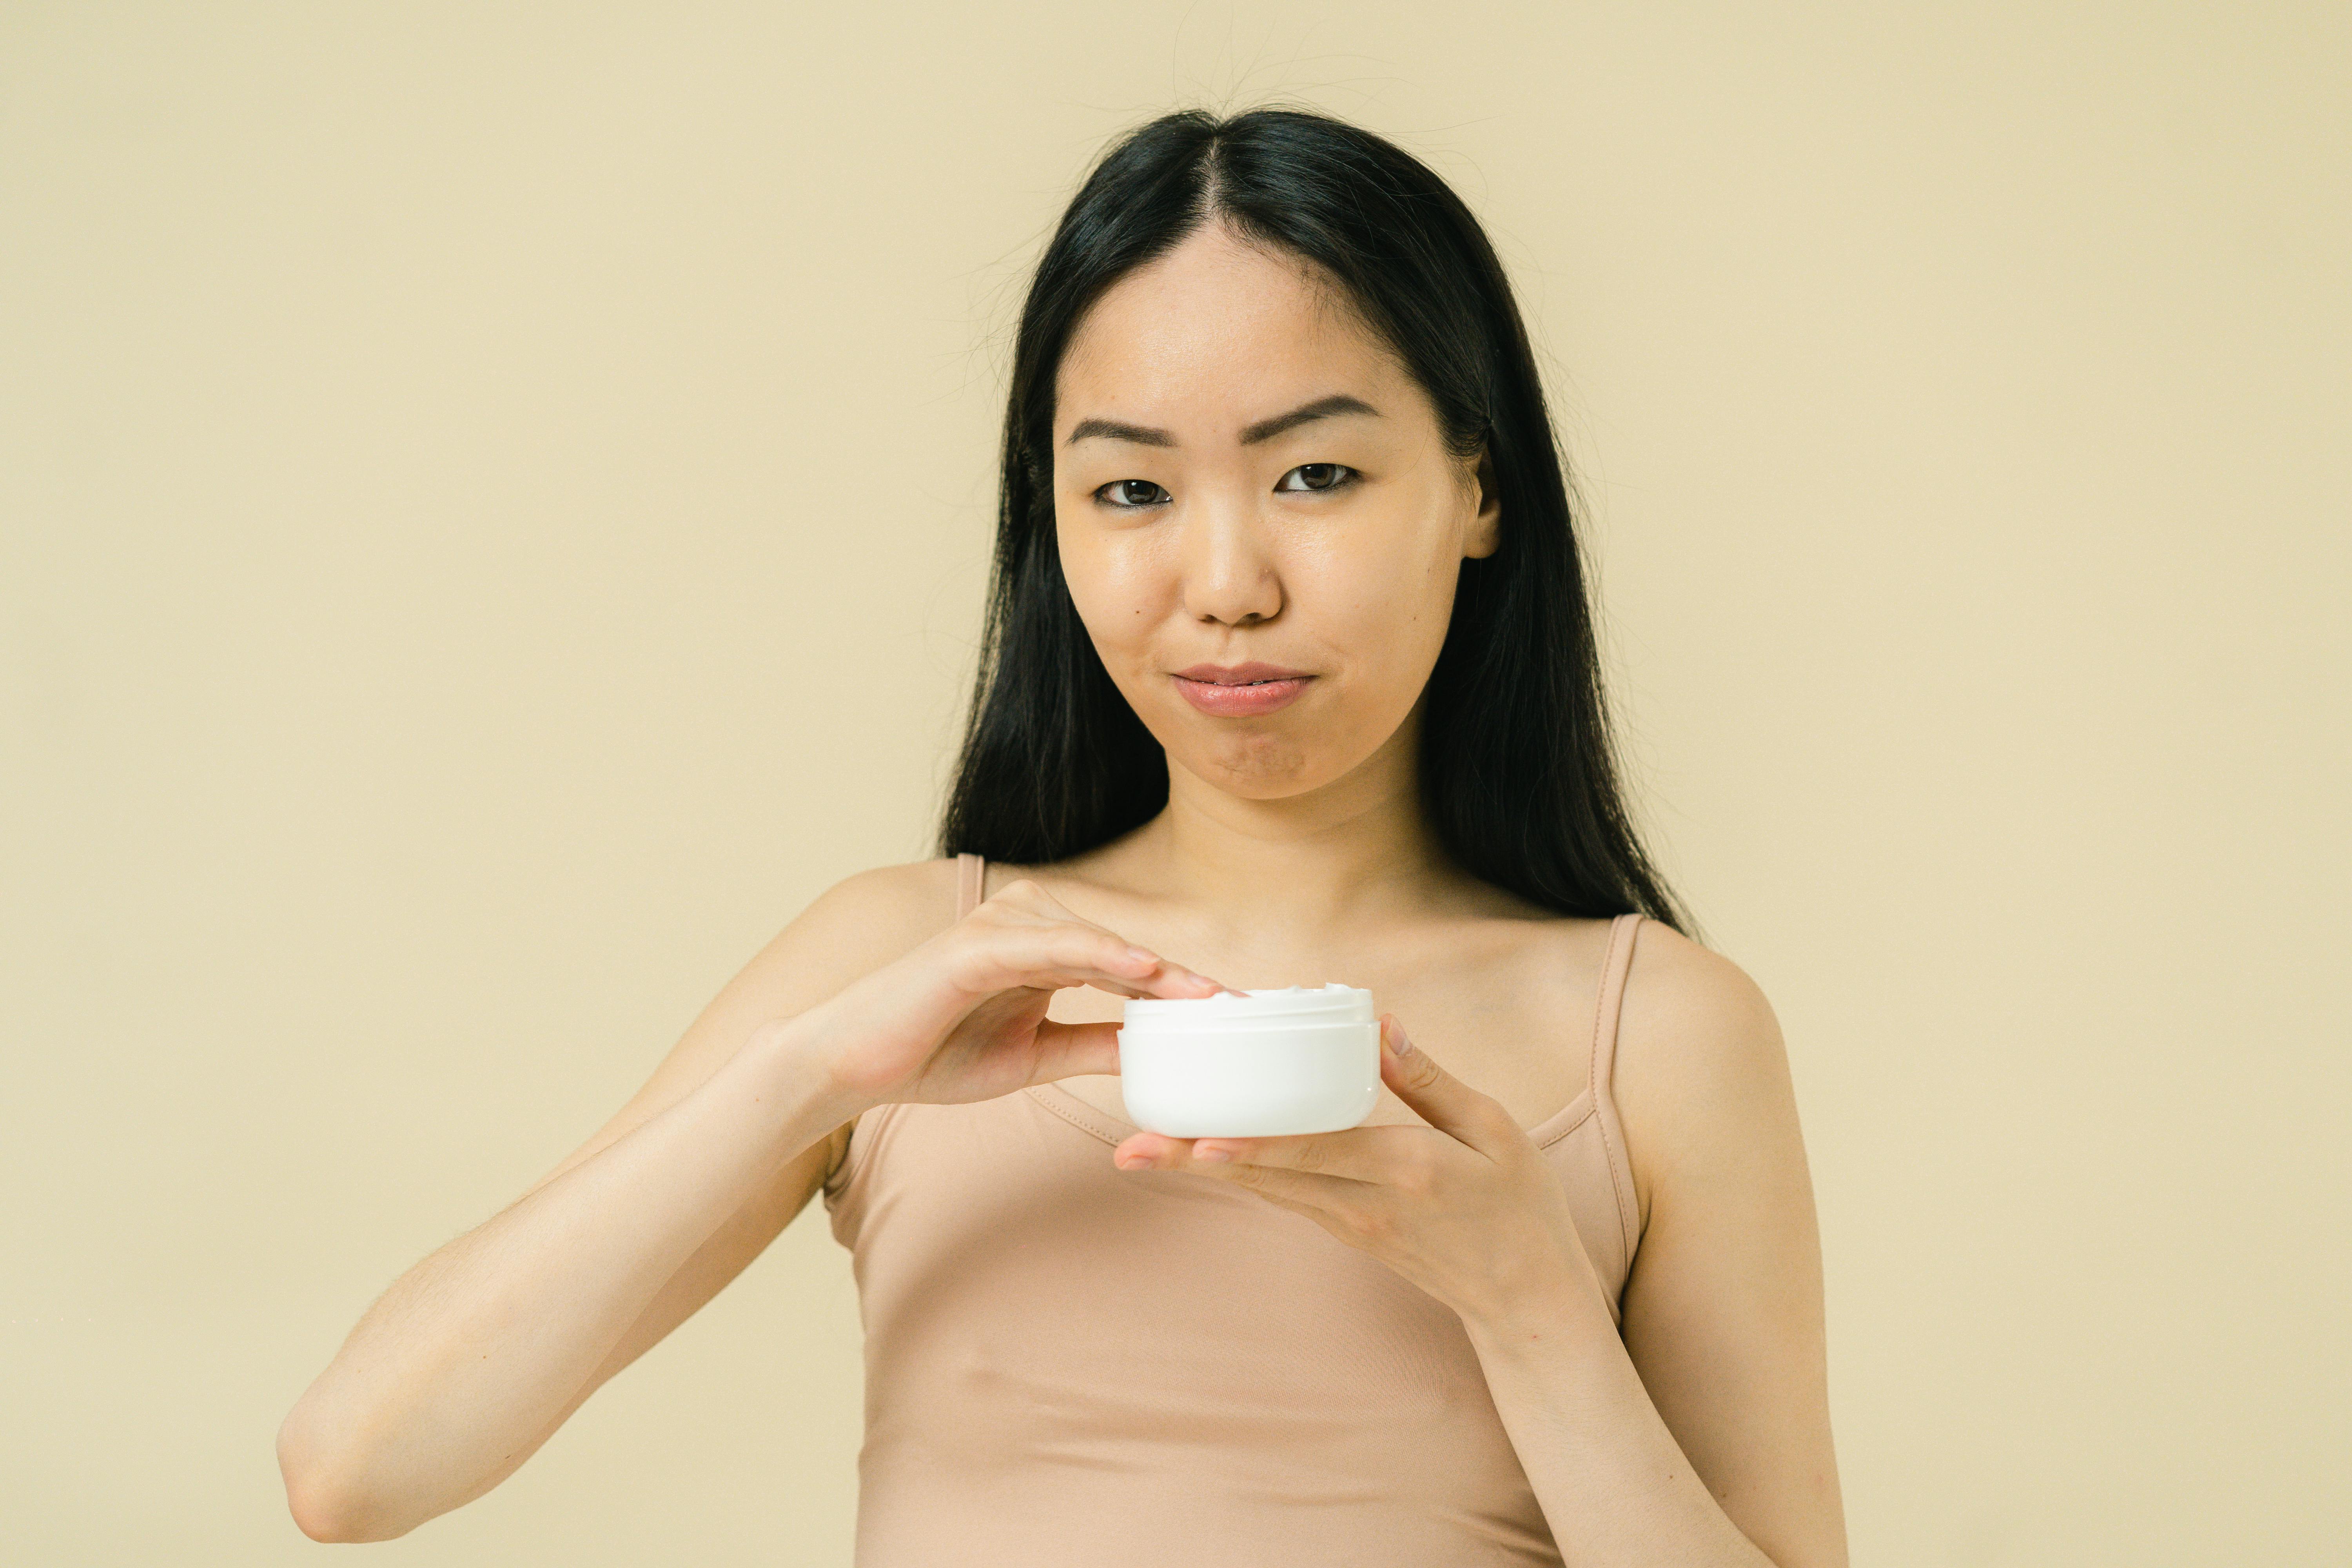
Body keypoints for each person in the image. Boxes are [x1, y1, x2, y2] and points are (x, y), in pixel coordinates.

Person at [277, 105, 1848, 1566]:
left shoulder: (1661, 1037)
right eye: (1130, 490)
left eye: (1318, 472)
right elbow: (356, 1468)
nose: (1226, 580)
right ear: (1056, 516)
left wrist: (1531, 1304)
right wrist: (811, 1078)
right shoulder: (916, 959)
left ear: (1477, 487)